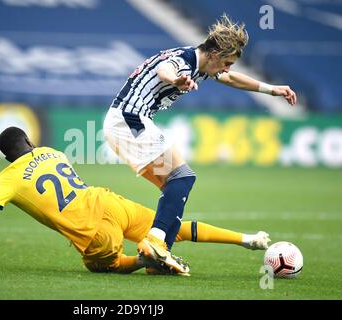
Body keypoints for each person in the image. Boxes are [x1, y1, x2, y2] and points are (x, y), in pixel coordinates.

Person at [103, 14, 295, 271]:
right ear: (214, 53)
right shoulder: (184, 60)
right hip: (130, 120)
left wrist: (272, 89)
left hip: (124, 125)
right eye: (226, 62)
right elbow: (166, 69)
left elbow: (230, 79)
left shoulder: (206, 66)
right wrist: (175, 80)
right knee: (183, 178)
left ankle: (157, 260)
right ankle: (155, 243)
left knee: (174, 190)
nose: (227, 68)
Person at [0, 127, 270, 276]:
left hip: (92, 233)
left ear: (6, 156)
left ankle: (145, 259)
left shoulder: (5, 179)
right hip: (109, 202)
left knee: (106, 267)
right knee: (168, 226)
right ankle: (248, 240)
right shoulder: (51, 152)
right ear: (28, 141)